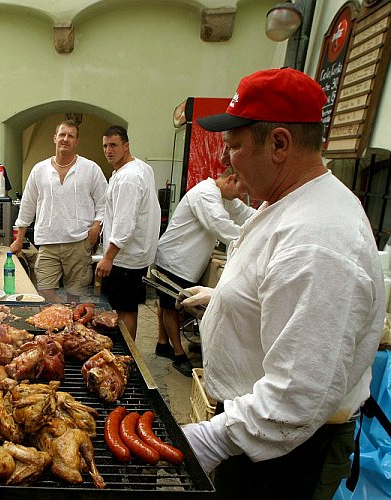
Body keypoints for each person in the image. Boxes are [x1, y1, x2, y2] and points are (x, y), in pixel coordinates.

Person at [178, 68, 384, 499]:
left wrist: (210, 440)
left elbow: (296, 396)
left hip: (286, 453)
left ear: (279, 144)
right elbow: (283, 291)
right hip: (258, 434)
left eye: (234, 146)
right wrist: (228, 299)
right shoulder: (291, 202)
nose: (224, 161)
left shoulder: (318, 240)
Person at [154, 167, 254, 377]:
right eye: (239, 190)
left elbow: (245, 214)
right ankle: (179, 355)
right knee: (172, 306)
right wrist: (255, 241)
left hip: (185, 260)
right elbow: (219, 226)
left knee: (166, 304)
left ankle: (163, 344)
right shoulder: (205, 193)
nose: (239, 196)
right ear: (231, 180)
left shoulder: (224, 196)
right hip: (175, 259)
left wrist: (266, 222)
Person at [10, 120, 107, 302]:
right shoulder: (40, 170)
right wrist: (19, 239)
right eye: (62, 135)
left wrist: (96, 227)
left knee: (75, 295)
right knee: (44, 292)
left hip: (79, 242)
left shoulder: (90, 169)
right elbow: (28, 204)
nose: (65, 139)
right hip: (48, 242)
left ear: (77, 141)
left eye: (71, 136)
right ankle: (61, 314)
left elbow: (104, 203)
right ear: (54, 138)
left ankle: (69, 325)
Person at [95, 125, 160, 340]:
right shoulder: (140, 167)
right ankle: (127, 353)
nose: (108, 150)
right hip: (136, 256)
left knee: (122, 311)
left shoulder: (128, 178)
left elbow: (125, 223)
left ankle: (126, 355)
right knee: (128, 308)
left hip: (124, 259)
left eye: (113, 145)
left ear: (126, 146)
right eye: (105, 146)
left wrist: (108, 257)